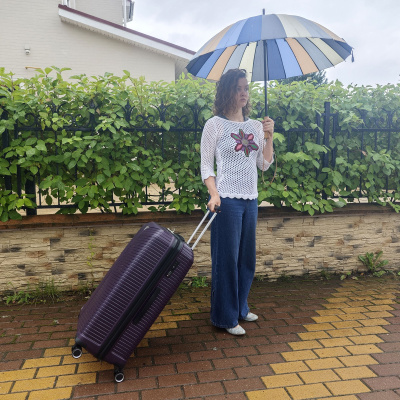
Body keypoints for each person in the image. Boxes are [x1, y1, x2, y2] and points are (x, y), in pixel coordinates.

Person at [200, 68, 274, 336]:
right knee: (226, 260)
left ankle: (241, 308)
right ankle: (225, 317)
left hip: (250, 200)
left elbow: (264, 164)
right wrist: (214, 193)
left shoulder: (255, 126)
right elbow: (206, 166)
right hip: (227, 201)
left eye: (246, 89)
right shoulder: (214, 125)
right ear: (227, 92)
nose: (244, 93)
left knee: (246, 259)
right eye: (238, 88)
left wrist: (269, 137)